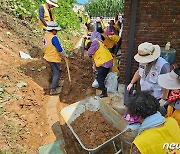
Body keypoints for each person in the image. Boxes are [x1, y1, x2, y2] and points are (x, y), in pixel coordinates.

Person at [43, 21, 68, 95]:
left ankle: (55, 83)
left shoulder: (46, 36)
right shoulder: (53, 38)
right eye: (56, 30)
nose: (57, 31)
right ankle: (53, 89)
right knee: (57, 73)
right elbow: (59, 49)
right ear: (52, 30)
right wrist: (64, 54)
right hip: (53, 57)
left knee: (54, 71)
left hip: (47, 56)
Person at [87, 32, 113, 98]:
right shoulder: (101, 43)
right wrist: (94, 66)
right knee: (102, 77)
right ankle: (102, 87)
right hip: (109, 61)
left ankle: (104, 92)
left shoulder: (95, 42)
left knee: (99, 78)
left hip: (104, 63)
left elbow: (89, 53)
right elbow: (94, 59)